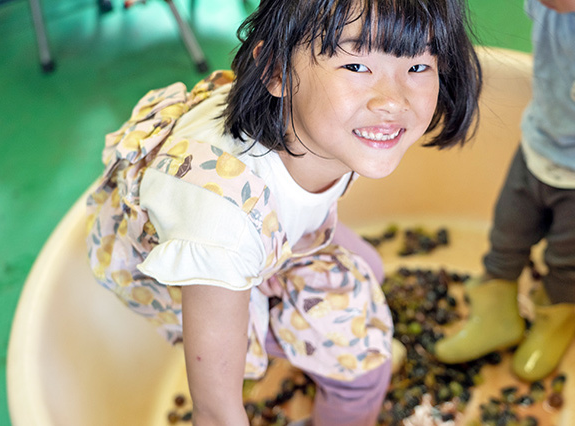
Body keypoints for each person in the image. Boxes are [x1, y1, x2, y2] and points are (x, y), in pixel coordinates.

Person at [85, 0, 481, 424]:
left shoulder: (322, 124)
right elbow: (215, 412)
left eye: (418, 66)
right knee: (362, 377)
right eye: (355, 66)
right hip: (189, 262)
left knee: (369, 268)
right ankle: (331, 377)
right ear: (275, 72)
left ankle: (316, 332)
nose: (392, 101)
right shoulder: (222, 228)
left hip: (251, 226)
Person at [435, 0, 575, 383]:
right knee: (507, 236)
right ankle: (496, 314)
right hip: (536, 150)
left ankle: (555, 319)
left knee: (569, 261)